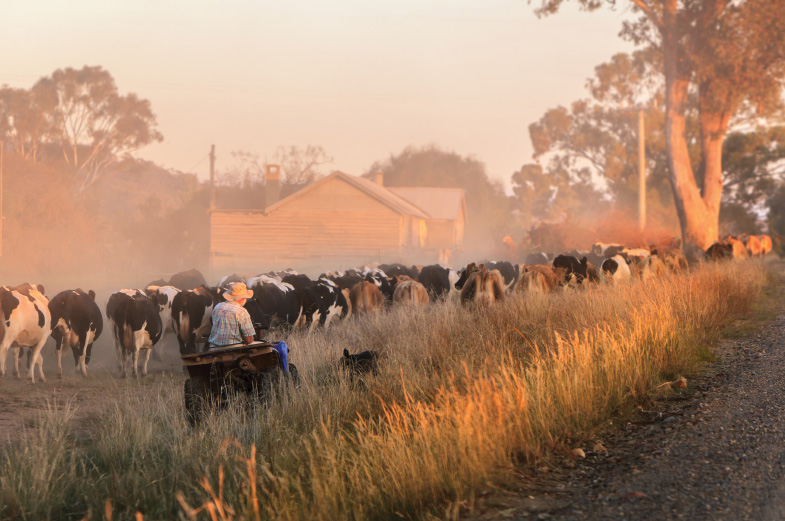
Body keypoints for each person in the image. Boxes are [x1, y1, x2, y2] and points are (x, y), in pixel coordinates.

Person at [208, 282, 256, 347]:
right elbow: (248, 339)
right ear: (242, 298)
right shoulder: (241, 311)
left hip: (214, 347)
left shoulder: (217, 307)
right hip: (234, 349)